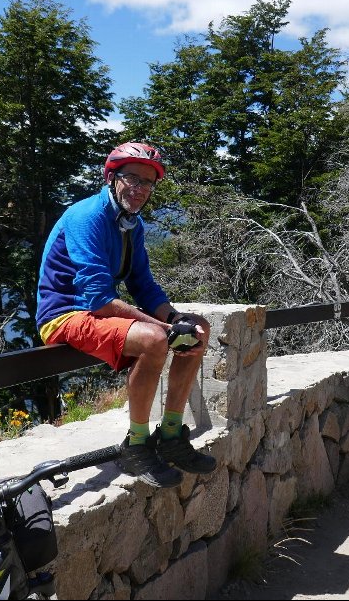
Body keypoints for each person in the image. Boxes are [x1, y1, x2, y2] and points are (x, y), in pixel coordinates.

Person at [35, 142, 216, 488]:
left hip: (94, 311)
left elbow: (143, 284)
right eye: (132, 178)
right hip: (63, 315)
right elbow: (100, 298)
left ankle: (172, 435)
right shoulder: (87, 216)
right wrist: (164, 327)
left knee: (198, 328)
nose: (141, 190)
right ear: (111, 177)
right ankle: (135, 445)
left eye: (148, 183)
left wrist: (178, 319)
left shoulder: (132, 225)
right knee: (154, 339)